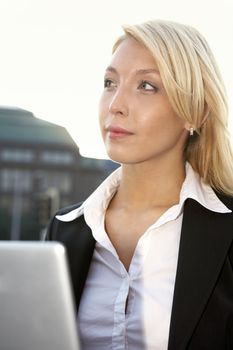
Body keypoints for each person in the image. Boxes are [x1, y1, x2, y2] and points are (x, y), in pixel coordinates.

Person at [46, 19, 233, 349]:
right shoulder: (64, 229)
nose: (115, 105)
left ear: (197, 113)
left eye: (146, 86)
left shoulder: (228, 228)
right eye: (109, 82)